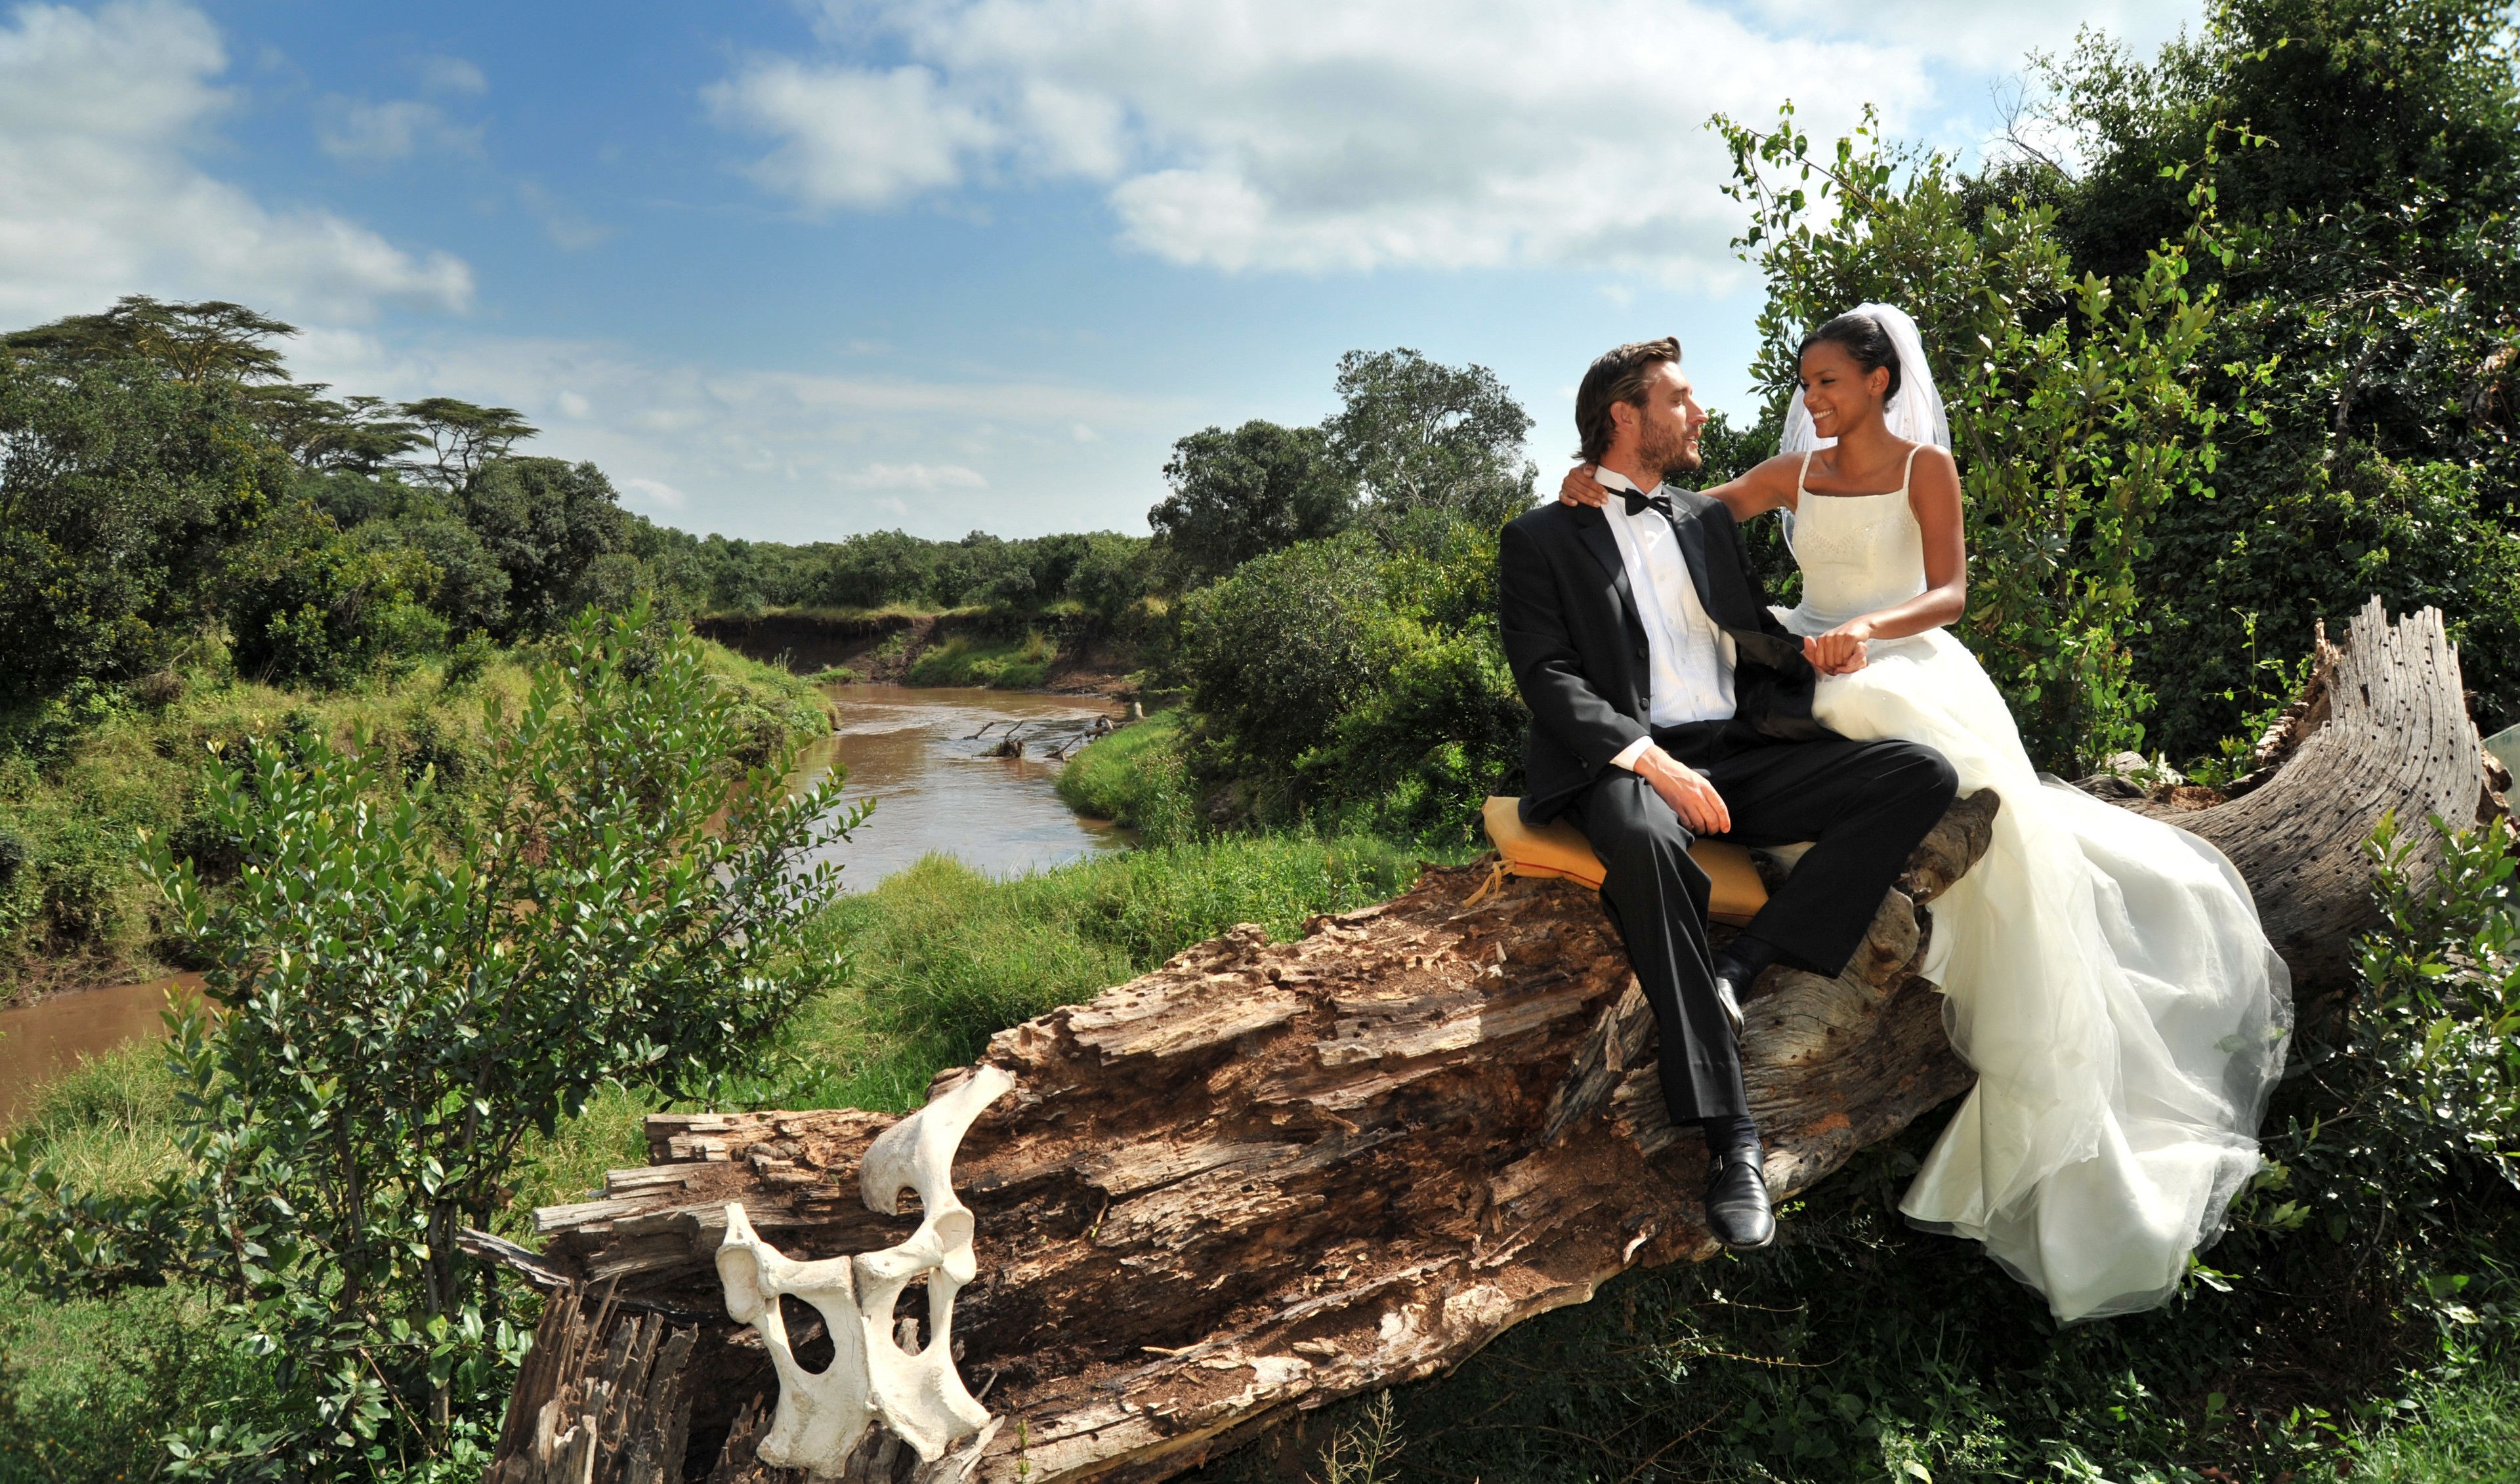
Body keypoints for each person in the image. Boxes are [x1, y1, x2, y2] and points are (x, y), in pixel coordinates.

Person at [1556, 306, 2292, 1321]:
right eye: (1803, 385)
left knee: (1909, 758)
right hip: (1775, 686)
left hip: (1891, 649)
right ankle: (1732, 1127)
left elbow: (1947, 589)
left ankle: (1762, 950)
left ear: (1881, 382)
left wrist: (1866, 625)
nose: (1807, 402)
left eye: (1827, 384)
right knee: (1827, 725)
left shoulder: (1922, 469)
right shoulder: (1774, 477)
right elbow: (1679, 510)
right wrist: (1589, 489)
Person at [1498, 336, 1961, 1251]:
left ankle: (1744, 966)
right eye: (1680, 399)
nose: (1701, 413)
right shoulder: (1540, 537)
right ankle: (1731, 1138)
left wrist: (1836, 649)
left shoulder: (1704, 520)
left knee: (1919, 777)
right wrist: (1651, 763)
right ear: (1625, 418)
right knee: (1645, 840)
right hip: (1630, 763)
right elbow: (1547, 675)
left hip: (1739, 751)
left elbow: (1752, 634)